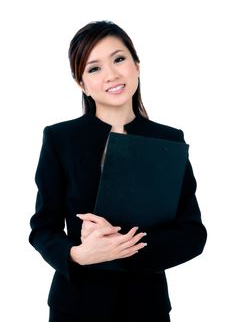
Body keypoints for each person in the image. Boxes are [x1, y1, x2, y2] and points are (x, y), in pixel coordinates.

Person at [29, 20, 207, 322]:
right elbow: (43, 228)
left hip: (146, 307)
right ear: (82, 84)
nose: (111, 74)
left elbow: (192, 234)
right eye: (94, 68)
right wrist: (78, 255)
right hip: (75, 306)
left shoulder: (168, 140)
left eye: (119, 59)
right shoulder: (60, 139)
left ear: (137, 65)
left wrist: (122, 248)